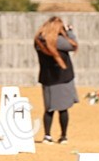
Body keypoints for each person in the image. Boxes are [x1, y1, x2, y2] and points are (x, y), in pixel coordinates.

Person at [34, 16, 79, 144]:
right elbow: (73, 45)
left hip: (47, 78)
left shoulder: (38, 41)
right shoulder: (58, 41)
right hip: (63, 77)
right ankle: (63, 136)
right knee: (63, 109)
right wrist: (69, 32)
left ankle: (47, 135)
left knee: (49, 109)